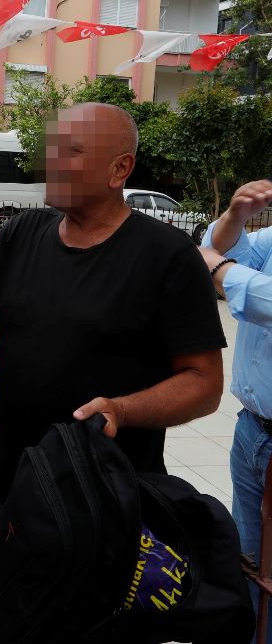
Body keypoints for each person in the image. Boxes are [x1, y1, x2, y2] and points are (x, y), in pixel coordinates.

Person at [0, 103, 227, 643]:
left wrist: (123, 409)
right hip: (10, 490)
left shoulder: (166, 256)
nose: (51, 161)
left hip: (107, 504)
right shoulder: (25, 232)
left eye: (70, 151)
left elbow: (205, 384)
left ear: (120, 170)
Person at [199, 178, 272, 642]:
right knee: (249, 561)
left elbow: (258, 296)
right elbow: (217, 245)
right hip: (253, 431)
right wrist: (234, 217)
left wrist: (217, 269)